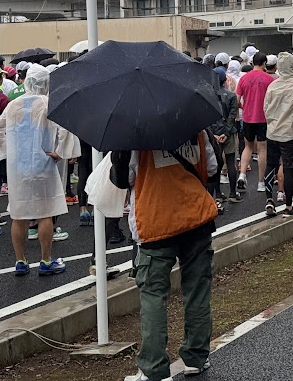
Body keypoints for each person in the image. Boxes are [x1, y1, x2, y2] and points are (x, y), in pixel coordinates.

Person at [111, 130, 219, 381]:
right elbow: (212, 168)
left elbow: (122, 178)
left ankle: (154, 368)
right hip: (196, 218)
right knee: (197, 290)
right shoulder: (197, 128)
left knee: (153, 295)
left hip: (156, 221)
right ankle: (196, 357)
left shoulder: (134, 134)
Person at [0, 66, 68, 277]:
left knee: (19, 214)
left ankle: (20, 261)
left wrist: (8, 152)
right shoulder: (48, 103)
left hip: (18, 168)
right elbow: (65, 130)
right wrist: (60, 152)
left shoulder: (14, 105)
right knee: (45, 213)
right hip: (44, 164)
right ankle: (45, 260)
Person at [262, 53, 293, 218]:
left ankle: (269, 200)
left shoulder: (273, 86)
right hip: (291, 133)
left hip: (273, 131)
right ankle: (288, 205)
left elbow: (265, 108)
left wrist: (271, 123)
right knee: (289, 169)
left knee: (271, 165)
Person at [236, 52, 275, 193]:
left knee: (248, 147)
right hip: (264, 118)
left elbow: (237, 99)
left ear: (252, 63)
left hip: (247, 117)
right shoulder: (269, 79)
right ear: (265, 63)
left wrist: (243, 107)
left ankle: (242, 174)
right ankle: (261, 182)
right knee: (262, 149)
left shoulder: (244, 79)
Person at [209, 70, 241, 207]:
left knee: (215, 163)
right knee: (230, 161)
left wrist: (213, 133)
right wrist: (227, 133)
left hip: (214, 134)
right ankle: (233, 193)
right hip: (228, 133)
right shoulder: (231, 96)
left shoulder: (208, 95)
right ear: (224, 80)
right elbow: (232, 116)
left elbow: (207, 117)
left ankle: (218, 194)